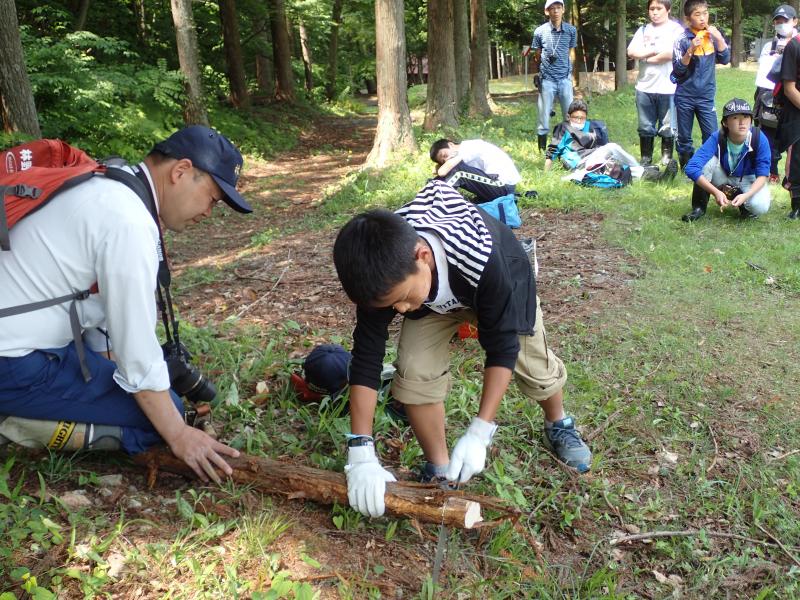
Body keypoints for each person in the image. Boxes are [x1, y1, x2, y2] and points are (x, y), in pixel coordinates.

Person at [0, 126, 250, 482]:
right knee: (162, 417)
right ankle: (14, 425)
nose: (210, 211)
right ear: (180, 172)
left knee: (147, 399)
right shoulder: (129, 223)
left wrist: (110, 378)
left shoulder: (106, 183)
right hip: (12, 361)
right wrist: (178, 434)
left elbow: (102, 323)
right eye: (212, 198)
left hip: (22, 340)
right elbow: (136, 354)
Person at [332, 180, 592, 518]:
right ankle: (442, 472)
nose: (397, 311)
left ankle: (558, 422)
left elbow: (502, 347)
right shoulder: (381, 269)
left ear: (421, 256)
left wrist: (480, 431)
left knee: (535, 367)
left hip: (494, 282)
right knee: (413, 369)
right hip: (431, 299)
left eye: (400, 299)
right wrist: (360, 449)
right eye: (390, 304)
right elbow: (367, 357)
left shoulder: (479, 255)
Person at [682, 98, 771, 221]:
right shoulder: (717, 137)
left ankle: (745, 207)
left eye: (746, 117)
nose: (742, 122)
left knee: (760, 206)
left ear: (751, 120)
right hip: (723, 175)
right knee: (706, 163)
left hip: (748, 179)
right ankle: (698, 209)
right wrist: (715, 192)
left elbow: (763, 175)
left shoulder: (758, 138)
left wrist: (746, 195)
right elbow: (691, 168)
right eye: (735, 118)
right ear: (725, 122)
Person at [671, 0, 731, 170]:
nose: (703, 18)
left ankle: (707, 166)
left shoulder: (712, 36)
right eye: (698, 14)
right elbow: (677, 71)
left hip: (706, 95)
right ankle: (686, 167)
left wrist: (719, 38)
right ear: (688, 18)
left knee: (712, 134)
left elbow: (725, 59)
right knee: (684, 136)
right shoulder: (682, 39)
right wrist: (690, 50)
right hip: (685, 95)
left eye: (705, 13)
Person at [626, 0, 685, 166]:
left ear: (668, 9)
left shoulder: (676, 29)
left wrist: (644, 56)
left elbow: (672, 53)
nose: (655, 12)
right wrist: (652, 52)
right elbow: (631, 51)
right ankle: (646, 158)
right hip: (644, 86)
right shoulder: (643, 29)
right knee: (645, 126)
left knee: (667, 126)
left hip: (669, 87)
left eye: (659, 8)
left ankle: (666, 158)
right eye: (652, 8)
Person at [524, 0, 577, 154]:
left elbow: (570, 51)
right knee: (543, 117)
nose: (555, 11)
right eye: (552, 8)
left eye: (558, 8)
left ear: (563, 10)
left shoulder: (571, 30)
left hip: (565, 79)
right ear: (547, 11)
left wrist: (569, 73)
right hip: (547, 80)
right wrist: (538, 73)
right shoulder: (539, 31)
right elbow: (537, 53)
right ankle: (542, 151)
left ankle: (570, 148)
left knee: (569, 115)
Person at [754, 5, 797, 184]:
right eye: (777, 21)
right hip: (768, 94)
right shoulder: (768, 45)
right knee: (768, 134)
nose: (781, 25)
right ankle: (771, 171)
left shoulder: (797, 44)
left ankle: (792, 175)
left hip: (793, 94)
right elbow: (765, 74)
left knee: (793, 135)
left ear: (795, 21)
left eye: (785, 21)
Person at [430, 138, 521, 202]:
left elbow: (442, 172)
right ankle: (431, 195)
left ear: (451, 144)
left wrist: (441, 167)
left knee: (458, 171)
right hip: (496, 186)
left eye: (445, 155)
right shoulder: (461, 152)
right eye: (443, 161)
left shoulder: (468, 147)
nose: (446, 160)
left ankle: (437, 202)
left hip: (503, 186)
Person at [776, 5, 800, 218]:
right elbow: (789, 87)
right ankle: (797, 204)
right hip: (796, 112)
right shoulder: (794, 46)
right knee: (797, 158)